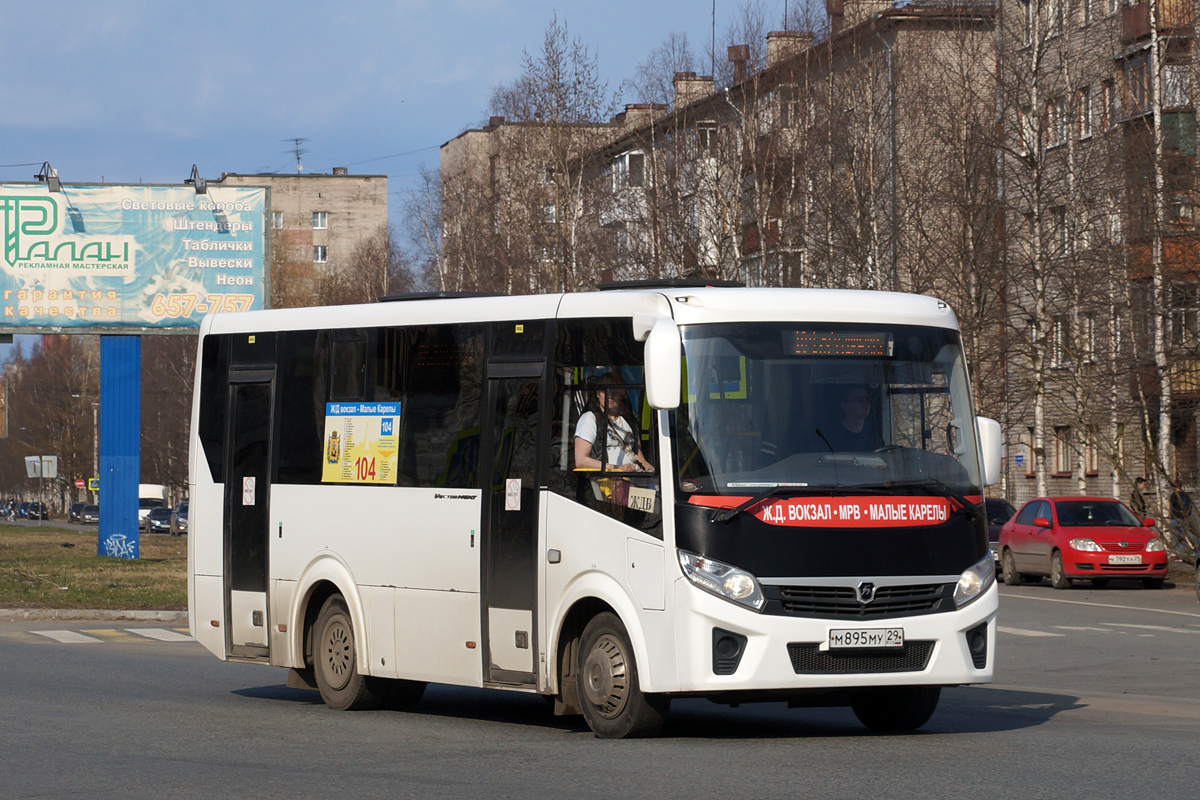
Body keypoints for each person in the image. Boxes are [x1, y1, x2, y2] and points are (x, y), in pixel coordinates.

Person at [574, 373, 653, 473]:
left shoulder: (629, 421)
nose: (610, 395)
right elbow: (581, 461)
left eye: (615, 391)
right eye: (605, 391)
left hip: (634, 478)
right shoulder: (590, 418)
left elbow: (641, 460)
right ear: (597, 394)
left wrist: (655, 474)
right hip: (606, 483)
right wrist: (617, 469)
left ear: (622, 393)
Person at [821, 385, 883, 452]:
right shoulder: (831, 435)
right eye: (860, 400)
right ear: (844, 405)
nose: (866, 403)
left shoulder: (873, 434)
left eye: (868, 399)